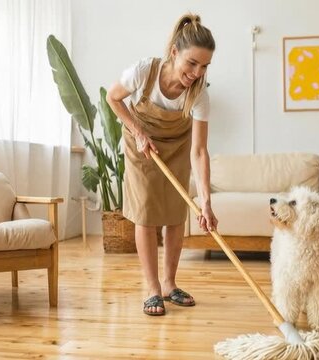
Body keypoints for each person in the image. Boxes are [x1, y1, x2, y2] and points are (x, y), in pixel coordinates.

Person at [106, 13, 218, 316]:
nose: (197, 72)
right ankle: (153, 288)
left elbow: (199, 151)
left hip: (177, 146)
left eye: (204, 66)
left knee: (175, 211)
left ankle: (169, 284)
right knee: (146, 212)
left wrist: (205, 202)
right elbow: (113, 98)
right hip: (140, 144)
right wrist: (138, 132)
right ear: (174, 53)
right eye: (192, 63)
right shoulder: (144, 71)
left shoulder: (199, 94)